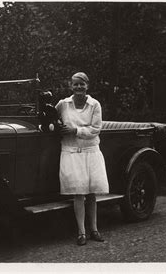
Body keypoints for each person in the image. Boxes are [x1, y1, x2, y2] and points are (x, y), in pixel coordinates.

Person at [55, 72, 109, 246]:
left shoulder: (95, 104)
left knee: (91, 193)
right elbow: (52, 118)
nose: (79, 87)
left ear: (87, 86)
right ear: (71, 86)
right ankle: (81, 232)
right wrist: (55, 127)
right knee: (78, 193)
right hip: (71, 151)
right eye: (75, 84)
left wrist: (75, 131)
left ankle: (94, 229)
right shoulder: (63, 104)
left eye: (82, 84)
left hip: (91, 151)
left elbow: (95, 129)